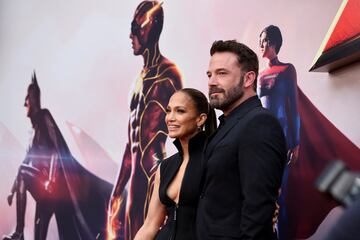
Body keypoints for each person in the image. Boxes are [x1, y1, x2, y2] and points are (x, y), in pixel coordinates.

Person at [3, 72, 112, 240]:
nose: (24, 103)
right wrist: (12, 191)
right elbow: (26, 161)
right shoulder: (32, 132)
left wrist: (51, 180)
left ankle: (19, 232)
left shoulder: (44, 116)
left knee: (24, 172)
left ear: (32, 100)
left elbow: (56, 150)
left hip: (53, 187)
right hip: (46, 196)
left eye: (27, 99)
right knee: (39, 236)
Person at [196, 40, 287, 240]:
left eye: (222, 73)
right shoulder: (228, 124)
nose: (211, 82)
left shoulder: (260, 124)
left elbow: (258, 214)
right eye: (209, 75)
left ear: (248, 79)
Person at [107, 1, 183, 239]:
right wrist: (117, 190)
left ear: (152, 27)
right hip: (135, 183)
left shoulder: (169, 76)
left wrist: (181, 185)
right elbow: (131, 144)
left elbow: (189, 136)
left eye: (136, 27)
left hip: (157, 177)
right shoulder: (137, 83)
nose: (131, 35)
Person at [134, 88, 216, 240]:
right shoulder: (165, 167)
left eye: (180, 111)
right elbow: (150, 225)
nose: (170, 118)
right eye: (168, 111)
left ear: (200, 119)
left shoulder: (215, 160)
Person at [258, 25, 300, 239]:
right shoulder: (259, 74)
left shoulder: (287, 69)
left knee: (279, 194)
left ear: (274, 42)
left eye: (264, 40)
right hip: (262, 140)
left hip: (282, 137)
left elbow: (294, 106)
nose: (261, 44)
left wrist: (296, 142)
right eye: (260, 39)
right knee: (263, 193)